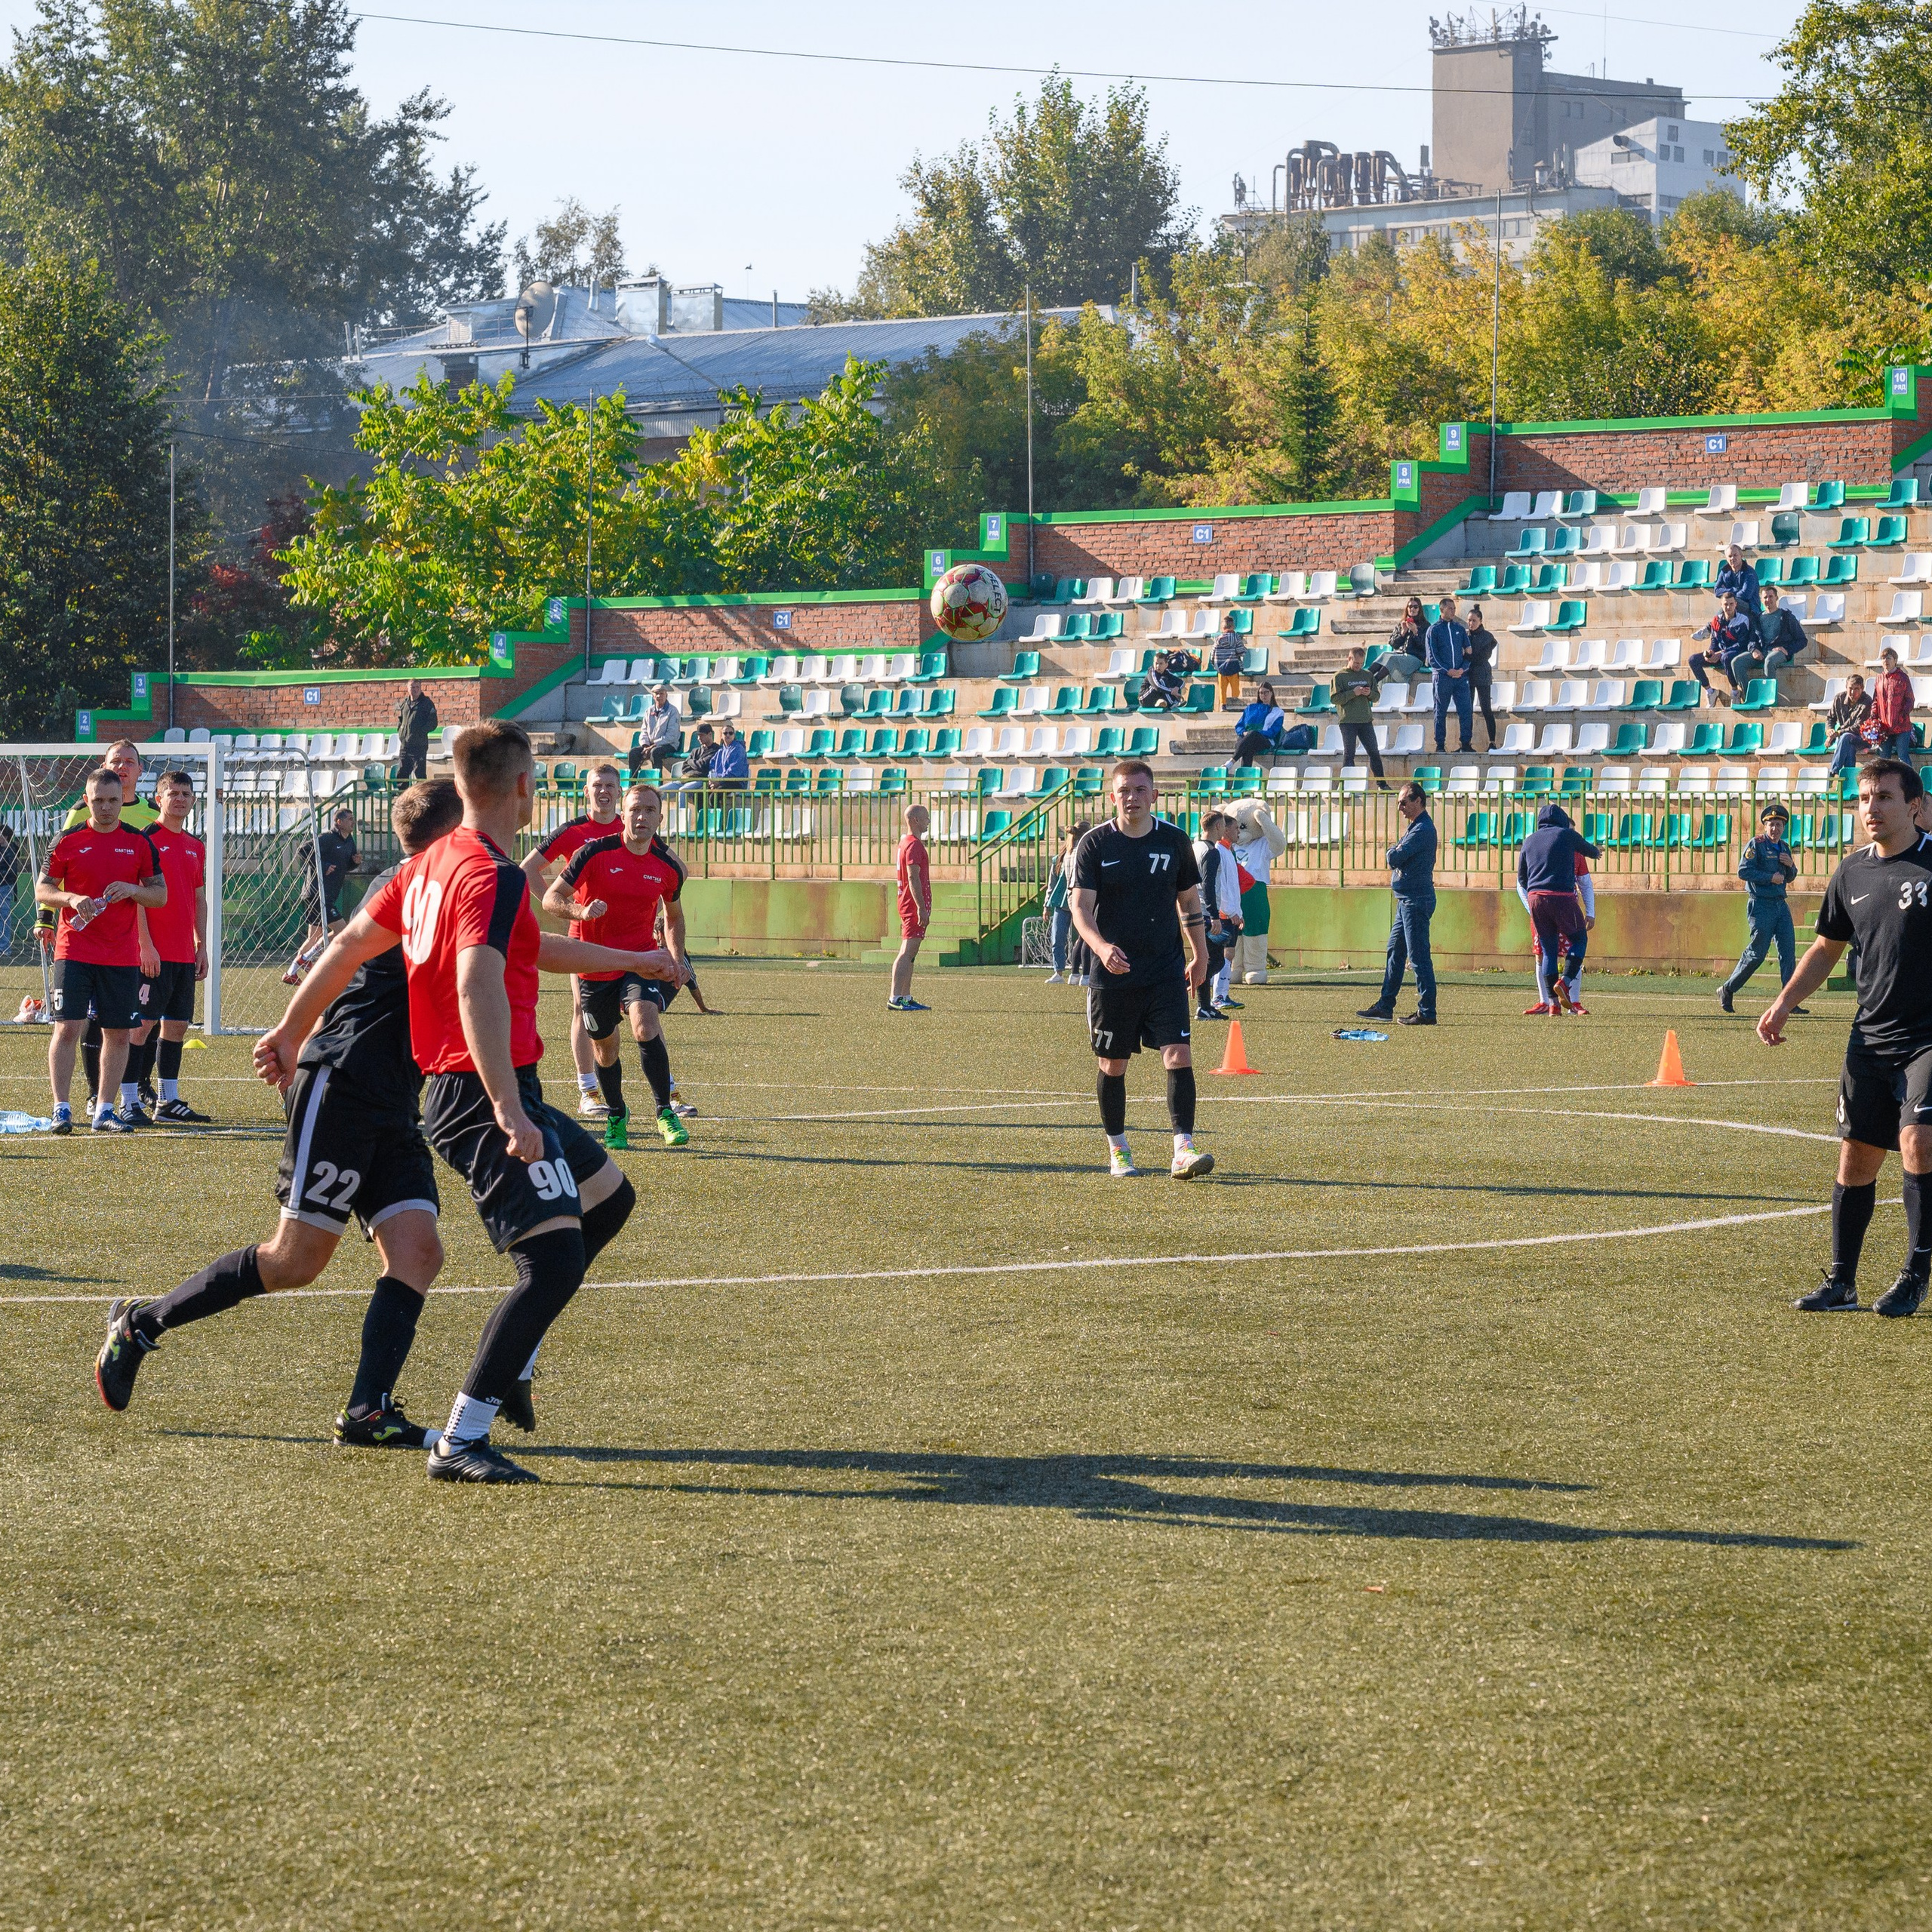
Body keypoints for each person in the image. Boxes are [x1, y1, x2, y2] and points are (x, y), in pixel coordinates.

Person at [298, 720, 658, 1480]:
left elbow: (351, 942)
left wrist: (288, 1028)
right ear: (523, 786)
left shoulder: (434, 863)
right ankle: (462, 1438)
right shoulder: (489, 876)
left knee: (610, 1197)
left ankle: (514, 1360)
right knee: (553, 1262)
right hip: (477, 1090)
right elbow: (475, 982)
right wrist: (507, 1107)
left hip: (484, 1084)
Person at [94, 781, 466, 1441]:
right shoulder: (419, 885)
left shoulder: (456, 881)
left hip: (393, 1100)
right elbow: (337, 954)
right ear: (454, 828)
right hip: (344, 1088)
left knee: (418, 1251)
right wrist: (291, 1037)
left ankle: (367, 1409)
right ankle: (141, 1325)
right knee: (294, 1261)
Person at [1761, 758, 1932, 1315]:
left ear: (1913, 804)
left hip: (1928, 1037)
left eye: (1883, 797)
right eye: (1863, 799)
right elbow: (1825, 949)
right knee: (1856, 1160)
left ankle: (1913, 1273)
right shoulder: (1851, 872)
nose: (1871, 808)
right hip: (1871, 1035)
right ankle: (1842, 1282)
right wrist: (1785, 1002)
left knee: (1918, 1143)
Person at [1069, 760, 1214, 1179]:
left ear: (1154, 795)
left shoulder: (1174, 841)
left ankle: (1182, 1150)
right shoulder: (1095, 845)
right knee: (1113, 1064)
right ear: (1112, 797)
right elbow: (1080, 909)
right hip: (1113, 975)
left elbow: (1188, 903)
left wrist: (1200, 955)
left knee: (1178, 1054)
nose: (1131, 797)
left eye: (1139, 789)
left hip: (1165, 971)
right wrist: (1101, 947)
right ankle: (1118, 1149)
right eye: (1123, 791)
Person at [543, 782, 694, 1150]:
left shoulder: (668, 866)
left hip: (641, 961)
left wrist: (675, 958)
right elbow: (551, 899)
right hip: (594, 964)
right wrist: (580, 911)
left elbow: (673, 916)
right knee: (605, 1049)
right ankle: (616, 1114)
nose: (641, 817)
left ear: (660, 818)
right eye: (635, 810)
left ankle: (664, 1112)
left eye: (649, 811)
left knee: (645, 1023)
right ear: (623, 815)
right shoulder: (593, 852)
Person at [35, 767, 167, 1133]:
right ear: (87, 799)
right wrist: (73, 898)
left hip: (121, 955)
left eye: (113, 800)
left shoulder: (140, 842)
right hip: (73, 949)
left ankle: (104, 1111)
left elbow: (160, 895)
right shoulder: (67, 840)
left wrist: (132, 889)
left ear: (122, 800)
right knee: (67, 1028)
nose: (106, 808)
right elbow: (43, 890)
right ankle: (61, 1109)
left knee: (118, 1033)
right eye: (98, 801)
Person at [524, 761, 625, 1118]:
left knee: (640, 1009)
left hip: (631, 936)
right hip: (583, 934)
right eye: (597, 785)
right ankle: (588, 1091)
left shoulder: (631, 828)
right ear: (587, 791)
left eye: (610, 785)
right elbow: (527, 869)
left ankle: (666, 1091)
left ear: (619, 791)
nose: (604, 791)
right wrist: (562, 908)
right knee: (582, 1010)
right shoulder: (572, 831)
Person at [128, 769, 211, 1124]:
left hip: (183, 953)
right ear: (159, 798)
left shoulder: (196, 846)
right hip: (153, 954)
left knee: (176, 1026)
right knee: (140, 1027)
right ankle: (129, 1100)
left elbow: (198, 898)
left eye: (186, 794)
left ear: (193, 801)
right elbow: (136, 900)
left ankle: (167, 1101)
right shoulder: (145, 839)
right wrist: (145, 946)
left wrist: (201, 945)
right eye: (173, 793)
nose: (180, 799)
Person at [1358, 782, 1437, 1026]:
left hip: (1416, 900)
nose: (1400, 808)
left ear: (1418, 801)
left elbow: (1394, 856)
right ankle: (1385, 1005)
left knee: (1418, 956)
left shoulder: (1422, 829)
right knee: (1395, 952)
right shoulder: (1415, 827)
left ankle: (1427, 1011)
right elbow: (1396, 855)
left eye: (1404, 803)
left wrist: (1394, 852)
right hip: (1407, 900)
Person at [1718, 803, 1803, 1016]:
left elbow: (1790, 876)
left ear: (1784, 827)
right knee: (1757, 954)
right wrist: (1769, 878)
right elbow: (1743, 871)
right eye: (1771, 824)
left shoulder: (1783, 847)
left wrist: (1791, 865)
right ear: (1765, 826)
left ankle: (1789, 1002)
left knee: (1788, 953)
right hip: (1761, 905)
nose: (1775, 829)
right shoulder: (1756, 845)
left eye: (1779, 825)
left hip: (1780, 905)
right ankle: (1728, 988)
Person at [1516, 803, 1601, 1017]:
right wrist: (1596, 852)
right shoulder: (1566, 835)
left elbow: (1522, 880)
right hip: (1562, 897)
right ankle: (1565, 982)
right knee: (1579, 940)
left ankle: (1553, 1005)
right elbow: (1588, 850)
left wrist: (1534, 896)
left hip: (1535, 899)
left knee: (1548, 952)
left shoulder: (1529, 841)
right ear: (1563, 821)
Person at [286, 807, 358, 985]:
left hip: (328, 894)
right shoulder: (327, 838)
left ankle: (291, 972)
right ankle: (306, 959)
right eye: (349, 819)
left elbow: (345, 866)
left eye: (353, 818)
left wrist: (354, 863)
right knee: (343, 931)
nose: (353, 821)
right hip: (318, 894)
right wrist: (324, 865)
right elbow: (303, 850)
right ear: (338, 822)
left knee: (315, 935)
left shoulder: (349, 841)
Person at [1521, 853, 1595, 1014]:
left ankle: (1574, 1002)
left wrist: (1591, 912)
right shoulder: (1539, 848)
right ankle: (1546, 1002)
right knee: (1542, 953)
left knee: (1572, 950)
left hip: (1567, 910)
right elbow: (1521, 883)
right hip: (1541, 909)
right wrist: (1531, 909)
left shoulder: (1576, 854)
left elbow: (1585, 883)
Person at [1191, 811, 1243, 1021]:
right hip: (1206, 914)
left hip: (1195, 911)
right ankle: (1185, 987)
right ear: (1219, 827)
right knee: (1214, 962)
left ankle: (1205, 1008)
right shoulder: (1211, 852)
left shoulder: (1195, 847)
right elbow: (1208, 885)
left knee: (1208, 960)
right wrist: (1214, 915)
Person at [1228, 799, 1287, 983]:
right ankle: (1233, 968)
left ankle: (1255, 968)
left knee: (1255, 930)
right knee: (1232, 932)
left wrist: (1263, 820)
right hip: (1231, 892)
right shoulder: (1228, 845)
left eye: (1243, 827)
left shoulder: (1262, 843)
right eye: (1237, 827)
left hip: (1254, 891)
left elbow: (1279, 845)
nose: (1240, 833)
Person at [888, 802, 932, 1011]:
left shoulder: (905, 842)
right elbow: (913, 877)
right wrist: (921, 907)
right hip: (911, 904)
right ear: (915, 820)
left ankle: (905, 996)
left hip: (907, 902)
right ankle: (896, 997)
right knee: (907, 951)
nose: (928, 822)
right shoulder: (913, 844)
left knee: (911, 953)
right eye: (925, 818)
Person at [1331, 644, 1389, 786]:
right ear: (1349, 659)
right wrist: (1352, 693)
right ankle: (1347, 785)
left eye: (1361, 663)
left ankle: (1382, 784)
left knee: (1374, 752)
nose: (1358, 666)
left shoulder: (1367, 675)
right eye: (1356, 663)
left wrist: (1369, 694)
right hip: (1348, 721)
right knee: (1349, 754)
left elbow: (1376, 697)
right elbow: (1334, 699)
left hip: (1365, 721)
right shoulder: (1339, 677)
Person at [1688, 591, 1761, 703]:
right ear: (1721, 605)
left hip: (1737, 652)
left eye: (1731, 604)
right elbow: (1714, 640)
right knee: (1693, 660)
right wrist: (1711, 652)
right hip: (1720, 654)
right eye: (1726, 604)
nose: (1728, 607)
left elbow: (1742, 643)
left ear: (1736, 604)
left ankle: (1735, 692)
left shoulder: (1743, 620)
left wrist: (1721, 653)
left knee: (1726, 657)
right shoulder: (1716, 621)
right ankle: (1710, 692)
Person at [1426, 592, 1473, 754]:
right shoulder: (1434, 630)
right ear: (1442, 610)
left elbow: (1469, 653)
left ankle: (1465, 743)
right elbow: (1432, 657)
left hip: (1460, 677)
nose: (1453, 611)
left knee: (1466, 710)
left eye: (1454, 608)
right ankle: (1440, 744)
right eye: (1450, 608)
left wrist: (1462, 669)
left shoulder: (1459, 629)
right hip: (1443, 678)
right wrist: (1448, 671)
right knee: (1440, 711)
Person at [1869, 646, 1915, 764]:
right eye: (1883, 658)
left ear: (1895, 660)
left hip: (1901, 726)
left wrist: (1901, 715)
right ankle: (1886, 783)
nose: (1886, 661)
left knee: (1903, 757)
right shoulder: (1879, 678)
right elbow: (1875, 700)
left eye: (1888, 658)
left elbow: (1910, 700)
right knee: (1884, 758)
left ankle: (1909, 782)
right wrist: (1874, 717)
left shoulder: (1903, 678)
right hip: (1884, 727)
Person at [1465, 602, 1500, 750]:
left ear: (1480, 621)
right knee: (1467, 709)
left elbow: (1481, 657)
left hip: (1482, 675)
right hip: (1468, 675)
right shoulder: (1465, 636)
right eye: (1469, 620)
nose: (1471, 623)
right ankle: (1466, 742)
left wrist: (1467, 654)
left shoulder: (1487, 637)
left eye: (1474, 620)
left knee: (1486, 709)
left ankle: (1492, 741)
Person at [1824, 675, 1874, 780]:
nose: (1852, 692)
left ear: (1862, 688)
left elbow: (1858, 727)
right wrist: (1829, 731)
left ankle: (1833, 772)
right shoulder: (1839, 698)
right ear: (1846, 687)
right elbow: (1830, 718)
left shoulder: (1867, 701)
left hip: (1863, 738)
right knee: (1849, 747)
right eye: (1850, 688)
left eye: (1856, 689)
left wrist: (1837, 734)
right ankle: (1848, 781)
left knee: (1846, 737)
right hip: (1846, 740)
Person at [1044, 825, 1076, 983]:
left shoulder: (1085, 855)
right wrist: (1046, 905)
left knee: (1084, 938)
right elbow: (1052, 884)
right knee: (1057, 937)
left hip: (1080, 902)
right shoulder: (1059, 858)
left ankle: (1080, 971)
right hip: (1062, 902)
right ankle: (1059, 972)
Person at [1755, 587, 1809, 678]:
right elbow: (1752, 639)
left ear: (1776, 598)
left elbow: (1802, 640)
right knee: (1737, 662)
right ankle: (1746, 691)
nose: (1768, 600)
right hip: (1762, 651)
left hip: (1779, 652)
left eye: (1771, 596)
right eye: (1765, 597)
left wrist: (1787, 649)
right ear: (1761, 600)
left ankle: (1769, 691)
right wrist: (1753, 649)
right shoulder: (1757, 619)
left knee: (1769, 661)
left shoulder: (1787, 617)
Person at [393, 678, 438, 784]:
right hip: (405, 746)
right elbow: (400, 720)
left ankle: (419, 798)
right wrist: (401, 732)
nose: (415, 689)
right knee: (402, 774)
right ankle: (402, 797)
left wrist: (421, 732)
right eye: (412, 687)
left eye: (418, 687)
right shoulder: (405, 704)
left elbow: (433, 723)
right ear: (408, 689)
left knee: (420, 774)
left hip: (419, 746)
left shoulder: (426, 703)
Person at [1232, 685, 1286, 768]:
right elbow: (1239, 726)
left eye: (1266, 693)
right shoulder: (1250, 708)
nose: (1263, 695)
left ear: (1271, 693)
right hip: (1248, 739)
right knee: (1249, 746)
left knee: (1253, 735)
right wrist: (1244, 732)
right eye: (1261, 693)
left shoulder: (1278, 712)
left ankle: (1231, 761)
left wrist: (1254, 733)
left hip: (1266, 741)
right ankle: (1245, 777)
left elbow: (1273, 732)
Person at [635, 685, 681, 773]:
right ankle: (634, 784)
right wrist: (645, 746)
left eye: (662, 693)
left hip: (669, 744)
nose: (659, 696)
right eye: (656, 694)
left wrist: (654, 745)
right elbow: (644, 731)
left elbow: (672, 735)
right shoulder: (649, 710)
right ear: (653, 696)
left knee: (655, 752)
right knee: (633, 753)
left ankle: (657, 781)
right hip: (650, 745)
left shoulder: (673, 711)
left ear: (666, 695)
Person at [1382, 597, 1429, 679]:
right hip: (1401, 655)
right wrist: (1403, 633)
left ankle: (1373, 681)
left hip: (1416, 658)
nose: (1412, 609)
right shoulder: (1401, 624)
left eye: (1415, 607)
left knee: (1392, 659)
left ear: (1419, 609)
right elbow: (1393, 644)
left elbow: (1425, 646)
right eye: (1410, 607)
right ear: (1407, 608)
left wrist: (1415, 632)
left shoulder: (1425, 625)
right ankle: (1367, 678)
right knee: (1384, 655)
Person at [1713, 541, 1763, 617]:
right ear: (1726, 559)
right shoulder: (1725, 571)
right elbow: (1717, 591)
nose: (1733, 558)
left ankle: (1713, 625)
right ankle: (1716, 625)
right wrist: (1734, 590)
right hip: (1733, 604)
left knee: (1730, 603)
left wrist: (1729, 595)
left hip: (1750, 607)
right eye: (1730, 556)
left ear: (1741, 556)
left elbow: (1746, 595)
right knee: (1726, 603)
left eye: (1735, 555)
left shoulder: (1749, 572)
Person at [665, 720, 717, 789]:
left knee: (683, 790)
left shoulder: (716, 750)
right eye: (698, 736)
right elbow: (684, 767)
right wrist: (695, 767)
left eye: (701, 735)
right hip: (688, 779)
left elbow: (703, 766)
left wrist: (690, 762)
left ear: (710, 734)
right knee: (660, 791)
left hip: (702, 781)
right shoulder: (695, 751)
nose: (699, 738)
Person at [1211, 621, 1247, 709]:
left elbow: (1212, 654)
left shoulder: (1217, 639)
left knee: (1222, 689)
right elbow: (1241, 651)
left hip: (1221, 669)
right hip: (1233, 667)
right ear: (1233, 627)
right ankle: (1235, 704)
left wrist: (1214, 665)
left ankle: (1223, 705)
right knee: (1235, 687)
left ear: (1223, 628)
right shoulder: (1236, 638)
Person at [0, 823, 22, 955]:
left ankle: (5, 948)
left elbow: (11, 872)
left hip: (5, 886)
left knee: (4, 916)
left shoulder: (11, 850)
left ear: (6, 836)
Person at [709, 719, 750, 790]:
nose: (728, 735)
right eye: (725, 733)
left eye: (731, 733)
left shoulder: (739, 749)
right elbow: (712, 766)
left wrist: (719, 782)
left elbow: (735, 771)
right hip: (722, 781)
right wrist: (712, 779)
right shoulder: (720, 751)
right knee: (701, 794)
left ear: (734, 735)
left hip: (735, 782)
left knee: (714, 797)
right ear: (721, 736)